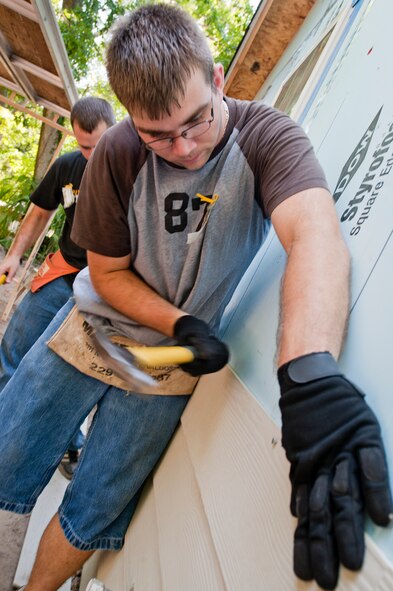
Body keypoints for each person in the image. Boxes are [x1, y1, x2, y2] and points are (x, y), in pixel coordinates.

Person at [0, 5, 391, 591]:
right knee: (8, 458)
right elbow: (106, 274)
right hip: (90, 332)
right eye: (158, 134)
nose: (183, 148)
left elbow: (314, 235)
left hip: (171, 371)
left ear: (218, 82)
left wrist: (310, 376)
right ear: (132, 117)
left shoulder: (267, 136)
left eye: (197, 123)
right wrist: (180, 320)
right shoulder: (116, 152)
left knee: (96, 507)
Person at [0, 96, 116, 478]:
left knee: (69, 373)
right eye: (85, 147)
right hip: (63, 271)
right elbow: (39, 212)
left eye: (99, 145)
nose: (92, 155)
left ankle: (72, 447)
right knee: (13, 351)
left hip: (102, 288)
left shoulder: (133, 169)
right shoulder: (68, 166)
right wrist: (14, 256)